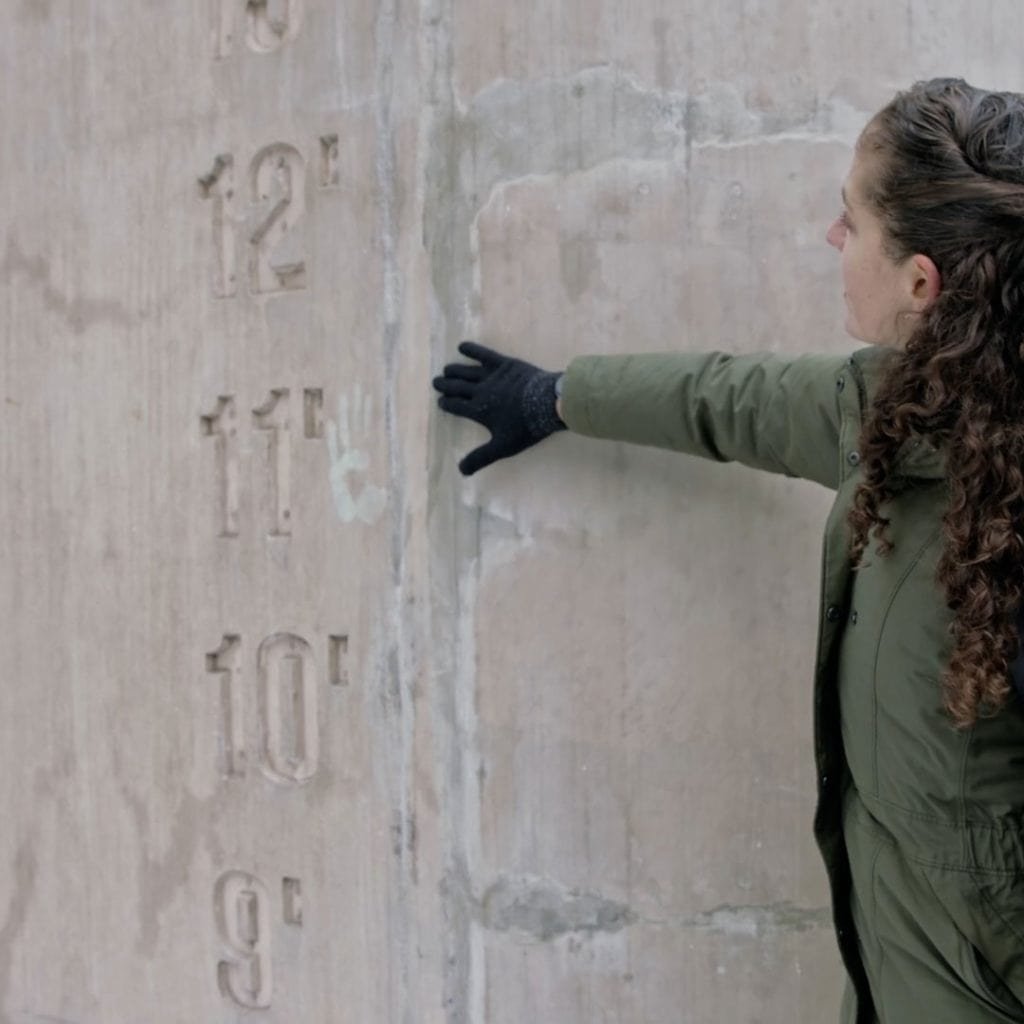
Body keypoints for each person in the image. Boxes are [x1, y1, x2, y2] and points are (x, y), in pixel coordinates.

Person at [433, 77, 1024, 1023]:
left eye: (851, 220)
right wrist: (555, 397)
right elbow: (730, 398)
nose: (834, 240)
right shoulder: (892, 412)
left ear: (922, 282)